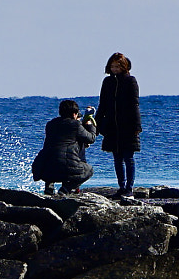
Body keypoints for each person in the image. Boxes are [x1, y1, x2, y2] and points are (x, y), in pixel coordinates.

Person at [96, 52, 142, 197]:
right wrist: (97, 124)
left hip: (127, 125)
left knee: (128, 157)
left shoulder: (130, 81)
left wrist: (136, 126)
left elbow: (135, 104)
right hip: (111, 126)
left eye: (117, 66)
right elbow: (102, 104)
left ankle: (129, 188)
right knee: (117, 158)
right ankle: (121, 187)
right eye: (112, 66)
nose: (115, 69)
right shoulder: (107, 82)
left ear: (124, 67)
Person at [32, 98, 97, 195]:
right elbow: (91, 138)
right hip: (65, 170)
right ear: (74, 114)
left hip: (44, 170)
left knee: (54, 154)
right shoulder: (76, 125)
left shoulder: (50, 124)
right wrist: (89, 124)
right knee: (89, 170)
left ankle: (49, 188)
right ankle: (65, 189)